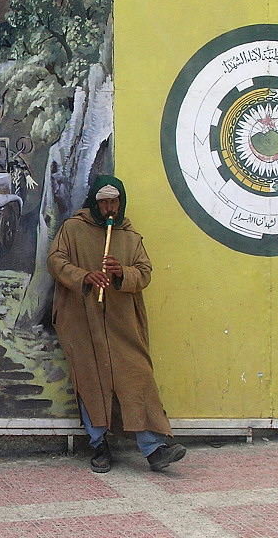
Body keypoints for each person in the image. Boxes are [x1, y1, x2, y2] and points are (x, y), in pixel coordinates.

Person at [47, 175, 186, 473]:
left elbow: (144, 272)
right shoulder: (73, 229)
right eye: (104, 203)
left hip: (122, 323)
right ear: (95, 203)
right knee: (90, 380)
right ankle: (99, 446)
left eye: (114, 202)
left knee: (136, 376)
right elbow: (56, 261)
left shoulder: (129, 237)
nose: (109, 208)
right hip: (83, 320)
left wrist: (121, 273)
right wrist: (84, 276)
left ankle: (154, 448)